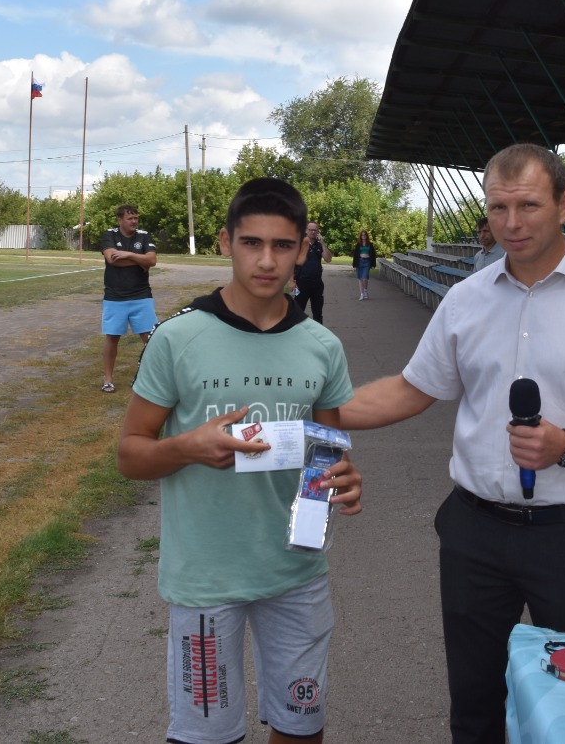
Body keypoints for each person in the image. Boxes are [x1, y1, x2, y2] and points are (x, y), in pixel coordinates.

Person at [337, 143, 565, 744]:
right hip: (474, 531)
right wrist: (311, 410)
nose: (511, 224)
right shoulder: (466, 299)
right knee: (473, 700)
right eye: (497, 208)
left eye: (529, 206)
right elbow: (411, 391)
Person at [117, 178, 363, 744]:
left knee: (301, 728)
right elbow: (130, 455)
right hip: (206, 576)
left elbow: (327, 454)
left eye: (283, 246)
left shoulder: (321, 346)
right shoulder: (177, 338)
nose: (267, 260)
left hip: (296, 573)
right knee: (207, 737)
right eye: (252, 243)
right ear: (226, 243)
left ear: (305, 249)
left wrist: (342, 481)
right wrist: (186, 448)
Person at [99, 203, 158, 393]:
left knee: (150, 338)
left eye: (136, 218)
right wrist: (139, 260)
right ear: (120, 220)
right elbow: (112, 259)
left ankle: (155, 378)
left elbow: (152, 261)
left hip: (141, 296)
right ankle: (108, 380)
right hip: (115, 296)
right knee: (112, 338)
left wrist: (128, 254)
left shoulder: (143, 235)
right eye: (130, 218)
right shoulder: (110, 234)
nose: (134, 221)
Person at [292, 220, 334, 324]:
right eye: (310, 230)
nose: (313, 232)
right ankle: (296, 335)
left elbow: (328, 259)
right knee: (298, 312)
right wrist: (292, 281)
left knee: (318, 313)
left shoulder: (320, 246)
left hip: (317, 284)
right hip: (302, 283)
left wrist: (323, 242)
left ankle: (318, 337)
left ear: (318, 232)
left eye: (315, 230)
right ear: (306, 230)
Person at [351, 229, 377, 301]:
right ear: (360, 236)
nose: (363, 236)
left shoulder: (370, 244)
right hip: (359, 261)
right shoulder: (358, 244)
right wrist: (354, 265)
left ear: (366, 236)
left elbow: (373, 255)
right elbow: (355, 255)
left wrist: (373, 264)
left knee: (365, 278)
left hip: (367, 262)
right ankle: (361, 294)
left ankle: (365, 290)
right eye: (362, 235)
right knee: (360, 278)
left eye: (364, 234)